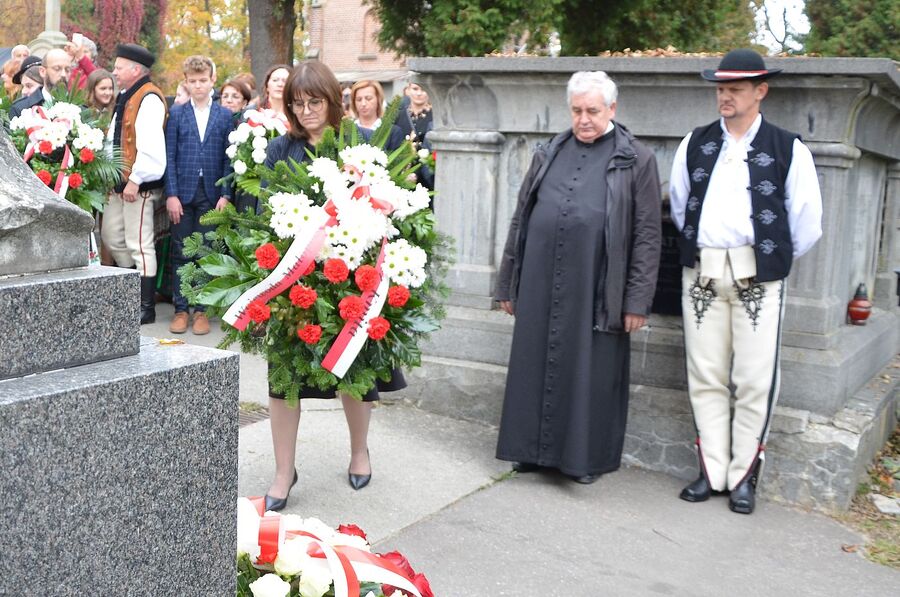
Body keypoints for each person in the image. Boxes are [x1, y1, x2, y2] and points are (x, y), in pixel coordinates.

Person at [670, 49, 823, 514]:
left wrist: (770, 258)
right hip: (703, 271)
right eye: (721, 89)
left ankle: (743, 476)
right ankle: (712, 470)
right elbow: (680, 205)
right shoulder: (694, 143)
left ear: (761, 91)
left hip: (759, 273)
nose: (725, 97)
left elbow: (806, 221)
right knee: (705, 374)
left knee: (756, 378)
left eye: (735, 89)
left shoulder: (787, 147)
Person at [494, 71, 662, 485]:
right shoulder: (549, 151)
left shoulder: (636, 159)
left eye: (593, 110)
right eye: (577, 110)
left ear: (612, 109)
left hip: (597, 283)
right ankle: (529, 450)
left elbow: (647, 235)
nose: (584, 119)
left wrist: (637, 301)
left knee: (591, 368)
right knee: (535, 360)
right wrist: (507, 282)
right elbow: (522, 218)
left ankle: (582, 460)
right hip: (539, 277)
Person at [261, 61, 407, 511]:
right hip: (294, 282)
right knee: (283, 378)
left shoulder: (358, 147)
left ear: (331, 100)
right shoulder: (279, 151)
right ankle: (284, 470)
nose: (306, 111)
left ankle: (359, 450)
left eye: (314, 101)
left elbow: (386, 210)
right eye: (297, 103)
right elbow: (265, 212)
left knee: (353, 371)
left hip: (349, 280)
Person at [164, 55, 235, 336]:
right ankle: (182, 308)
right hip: (183, 192)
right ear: (185, 82)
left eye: (202, 80)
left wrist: (226, 194)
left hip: (212, 193)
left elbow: (230, 159)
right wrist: (171, 194)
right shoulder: (178, 114)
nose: (198, 86)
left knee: (206, 252)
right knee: (182, 252)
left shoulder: (224, 116)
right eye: (192, 81)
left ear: (212, 81)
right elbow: (170, 156)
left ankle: (203, 310)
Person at [102, 43, 168, 325]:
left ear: (135, 69)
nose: (114, 71)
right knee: (112, 237)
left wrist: (135, 180)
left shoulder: (148, 97)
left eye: (119, 67)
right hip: (119, 183)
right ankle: (131, 294)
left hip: (137, 186)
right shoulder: (127, 95)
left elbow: (151, 146)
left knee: (140, 245)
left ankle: (145, 308)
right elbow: (114, 138)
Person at [8, 49, 72, 118]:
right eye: (57, 69)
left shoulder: (78, 108)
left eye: (67, 70)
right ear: (42, 71)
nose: (63, 74)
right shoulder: (21, 109)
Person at [349, 79, 405, 151]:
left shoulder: (393, 132)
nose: (363, 104)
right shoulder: (347, 129)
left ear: (378, 99)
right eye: (359, 99)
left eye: (368, 98)